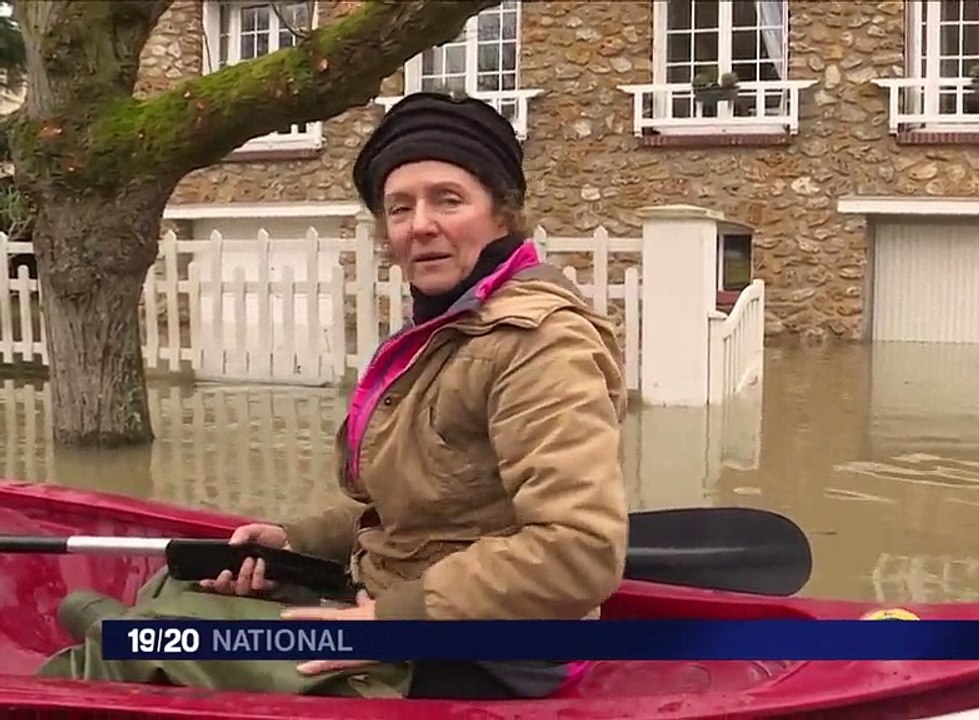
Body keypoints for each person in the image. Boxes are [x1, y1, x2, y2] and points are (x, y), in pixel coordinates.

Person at [37, 90, 632, 700]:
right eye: (399, 208)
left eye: (447, 200)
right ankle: (112, 625)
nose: (419, 223)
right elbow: (422, 506)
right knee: (175, 587)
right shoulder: (446, 328)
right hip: (393, 599)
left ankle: (99, 649)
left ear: (502, 214)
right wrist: (296, 542)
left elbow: (578, 550)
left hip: (477, 654)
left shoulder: (538, 342)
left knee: (142, 644)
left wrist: (383, 624)